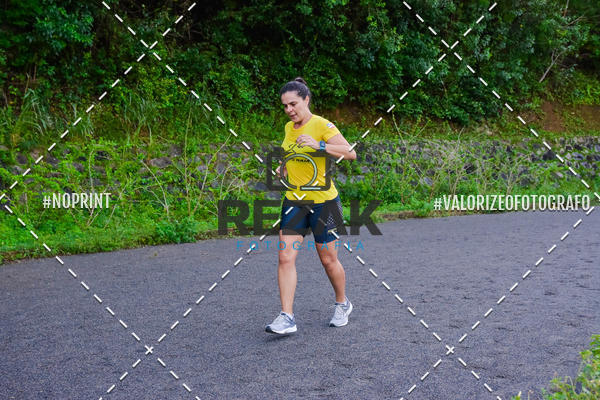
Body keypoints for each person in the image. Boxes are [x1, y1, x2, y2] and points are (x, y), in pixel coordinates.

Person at [265, 77, 357, 335]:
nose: (289, 110)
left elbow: (350, 153)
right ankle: (287, 317)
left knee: (328, 260)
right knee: (285, 256)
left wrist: (319, 145)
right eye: (285, 106)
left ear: (306, 100)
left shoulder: (322, 125)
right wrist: (284, 167)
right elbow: (290, 152)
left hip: (324, 202)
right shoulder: (289, 127)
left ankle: (342, 303)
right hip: (295, 200)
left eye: (293, 104)